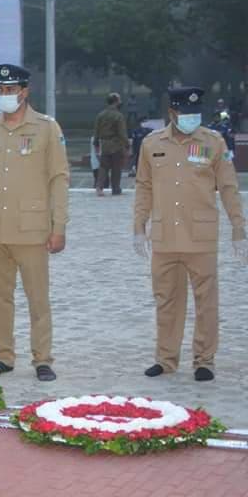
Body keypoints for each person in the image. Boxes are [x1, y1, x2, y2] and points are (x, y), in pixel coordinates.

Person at [133, 86, 246, 382]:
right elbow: (144, 186)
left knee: (206, 302)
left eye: (196, 113)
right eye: (185, 113)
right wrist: (138, 227)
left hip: (200, 238)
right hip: (165, 237)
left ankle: (204, 360)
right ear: (172, 112)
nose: (191, 118)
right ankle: (166, 358)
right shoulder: (152, 144)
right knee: (166, 301)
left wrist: (238, 227)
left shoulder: (213, 142)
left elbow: (229, 187)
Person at [0, 64, 70, 382]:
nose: (5, 95)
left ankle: (42, 358)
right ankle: (3, 356)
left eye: (11, 89)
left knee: (37, 299)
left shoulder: (46, 128)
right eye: (0, 90)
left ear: (24, 91)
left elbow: (59, 178)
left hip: (32, 230)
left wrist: (59, 227)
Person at [92, 92, 129, 196]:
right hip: (116, 144)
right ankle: (115, 188)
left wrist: (96, 144)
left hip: (104, 144)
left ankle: (99, 187)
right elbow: (122, 133)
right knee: (116, 167)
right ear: (116, 101)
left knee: (103, 167)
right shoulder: (118, 116)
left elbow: (96, 131)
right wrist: (127, 144)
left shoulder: (100, 115)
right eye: (119, 100)